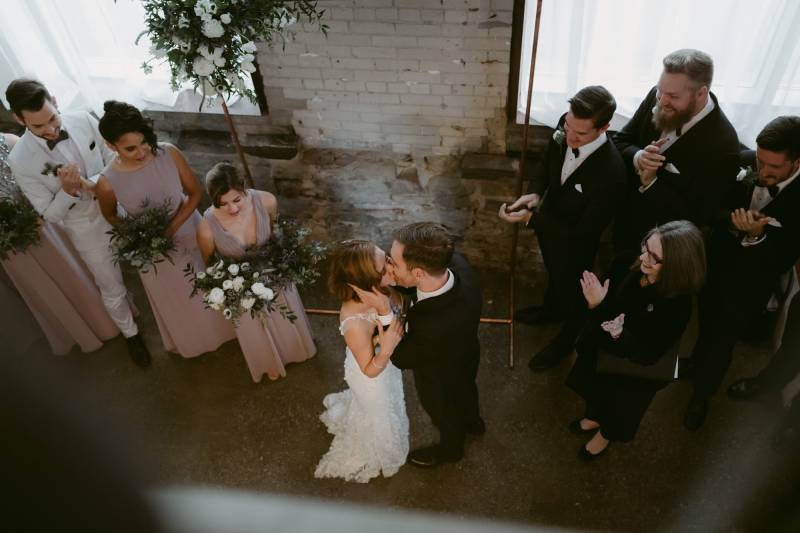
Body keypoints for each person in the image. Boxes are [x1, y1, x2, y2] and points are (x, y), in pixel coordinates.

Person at [5, 79, 149, 366]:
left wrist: (94, 183)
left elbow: (112, 155)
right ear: (19, 120)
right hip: (85, 227)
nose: (51, 130)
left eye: (52, 119)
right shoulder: (20, 160)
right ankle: (131, 335)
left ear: (56, 101)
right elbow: (48, 213)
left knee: (150, 259)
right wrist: (69, 191)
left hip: (123, 205)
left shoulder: (82, 118)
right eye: (38, 127)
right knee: (111, 285)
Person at [499, 85, 626, 371]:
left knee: (574, 295)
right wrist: (535, 192)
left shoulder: (612, 173)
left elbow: (585, 230)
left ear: (604, 127)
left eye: (580, 134)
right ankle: (549, 309)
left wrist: (532, 220)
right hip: (549, 227)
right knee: (553, 274)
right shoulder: (566, 123)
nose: (569, 137)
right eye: (568, 126)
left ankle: (565, 341)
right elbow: (546, 163)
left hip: (576, 245)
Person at [685, 116, 800, 430]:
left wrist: (756, 236)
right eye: (760, 161)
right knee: (705, 321)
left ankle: (702, 395)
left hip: (750, 284)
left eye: (773, 167)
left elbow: (783, 257)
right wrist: (732, 221)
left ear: (797, 161)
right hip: (715, 263)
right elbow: (707, 206)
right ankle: (695, 362)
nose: (762, 172)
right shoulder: (742, 161)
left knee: (723, 340)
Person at [95, 101, 235, 358]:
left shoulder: (169, 153)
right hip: (156, 251)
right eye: (130, 148)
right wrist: (141, 235)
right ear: (111, 146)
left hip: (191, 230)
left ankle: (231, 330)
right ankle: (196, 342)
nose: (142, 152)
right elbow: (111, 216)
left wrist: (170, 229)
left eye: (144, 142)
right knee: (181, 299)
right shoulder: (106, 183)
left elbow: (194, 195)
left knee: (210, 282)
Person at [566, 220, 706, 460]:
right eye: (646, 247)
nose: (643, 258)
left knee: (618, 405)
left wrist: (617, 330)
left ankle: (605, 435)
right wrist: (594, 304)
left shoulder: (678, 305)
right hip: (603, 349)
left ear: (677, 266)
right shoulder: (627, 261)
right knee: (595, 389)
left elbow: (647, 354)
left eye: (654, 257)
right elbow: (604, 300)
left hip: (631, 370)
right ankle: (594, 416)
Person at [360, 222, 484, 469]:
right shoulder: (456, 264)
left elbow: (402, 358)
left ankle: (451, 451)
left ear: (418, 274)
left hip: (439, 377)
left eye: (393, 263)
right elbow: (408, 284)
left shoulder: (437, 327)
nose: (388, 266)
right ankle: (473, 421)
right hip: (467, 353)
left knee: (445, 414)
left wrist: (385, 312)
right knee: (467, 390)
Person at [612, 49, 739, 262]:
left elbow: (697, 215)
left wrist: (651, 182)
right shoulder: (658, 96)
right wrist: (639, 157)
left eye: (673, 96)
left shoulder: (724, 146)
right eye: (661, 91)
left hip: (660, 250)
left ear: (701, 93)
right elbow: (621, 140)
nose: (662, 101)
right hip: (623, 221)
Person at [1, 132, 120, 355]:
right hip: (10, 246)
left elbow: (45, 181)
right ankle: (78, 332)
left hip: (44, 225)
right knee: (43, 288)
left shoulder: (10, 143)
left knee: (76, 271)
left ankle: (111, 320)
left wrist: (37, 212)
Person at [196, 162, 316, 382]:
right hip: (242, 289)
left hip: (275, 274)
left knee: (286, 317)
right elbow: (209, 262)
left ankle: (296, 350)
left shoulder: (267, 200)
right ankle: (268, 362)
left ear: (244, 189)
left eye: (237, 200)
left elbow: (276, 232)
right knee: (256, 326)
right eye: (222, 204)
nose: (232, 209)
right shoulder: (206, 227)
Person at [314, 240, 409, 483]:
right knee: (379, 411)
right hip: (372, 375)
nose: (391, 266)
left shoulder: (384, 288)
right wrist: (386, 349)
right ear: (366, 283)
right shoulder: (354, 323)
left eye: (387, 258)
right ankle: (377, 450)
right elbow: (368, 370)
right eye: (383, 267)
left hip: (386, 361)